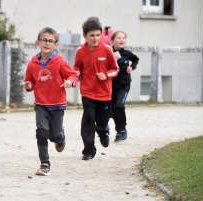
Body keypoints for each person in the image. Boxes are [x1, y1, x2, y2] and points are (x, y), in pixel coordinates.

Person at [24, 27, 78, 176]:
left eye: (50, 41)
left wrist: (69, 81)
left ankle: (60, 137)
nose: (47, 43)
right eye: (44, 40)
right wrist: (28, 85)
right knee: (41, 132)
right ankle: (44, 164)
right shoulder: (32, 63)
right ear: (38, 42)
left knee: (54, 135)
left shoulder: (59, 61)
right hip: (41, 104)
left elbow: (73, 75)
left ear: (56, 45)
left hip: (57, 105)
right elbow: (29, 80)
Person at [74, 19, 119, 160]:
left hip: (104, 93)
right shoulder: (80, 51)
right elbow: (77, 67)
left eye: (98, 35)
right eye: (92, 35)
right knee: (88, 118)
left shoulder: (107, 50)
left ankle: (103, 131)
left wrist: (105, 75)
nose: (95, 38)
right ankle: (88, 150)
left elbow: (115, 69)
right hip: (87, 92)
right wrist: (77, 73)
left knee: (101, 121)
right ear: (85, 36)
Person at [110, 31, 139, 142]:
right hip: (111, 85)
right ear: (112, 41)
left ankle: (122, 130)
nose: (121, 40)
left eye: (123, 38)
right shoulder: (108, 53)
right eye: (118, 38)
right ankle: (117, 130)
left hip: (124, 85)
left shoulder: (127, 53)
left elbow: (136, 60)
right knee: (112, 110)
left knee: (119, 105)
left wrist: (131, 67)